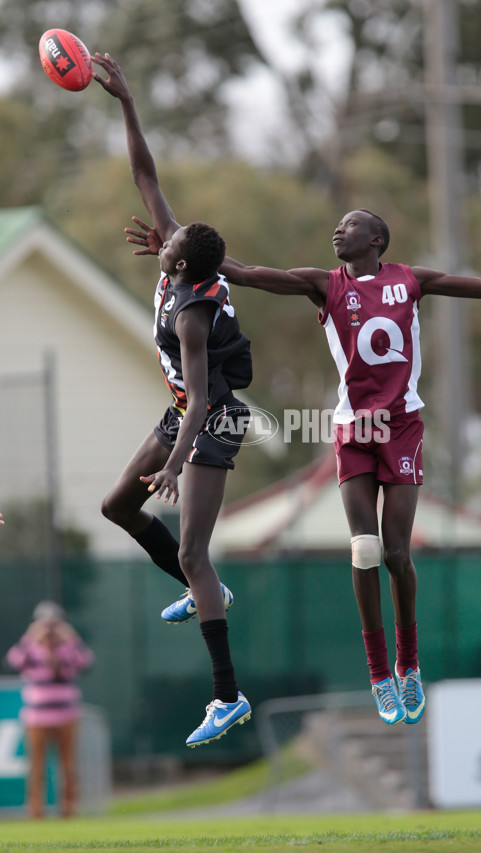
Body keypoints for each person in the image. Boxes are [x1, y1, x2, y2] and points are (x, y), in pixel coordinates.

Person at [124, 124, 481, 731]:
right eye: (338, 225)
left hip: (402, 427)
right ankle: (378, 671)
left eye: (349, 225)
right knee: (365, 548)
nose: (337, 231)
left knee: (400, 554)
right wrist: (181, 252)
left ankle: (408, 661)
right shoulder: (323, 284)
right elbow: (239, 272)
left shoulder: (411, 279)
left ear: (375, 239)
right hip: (354, 429)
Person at [91, 53, 252, 746]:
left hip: (210, 417)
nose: (165, 229)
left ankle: (229, 696)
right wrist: (125, 101)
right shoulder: (185, 260)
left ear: (180, 263)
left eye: (173, 238)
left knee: (193, 551)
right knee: (116, 505)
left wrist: (176, 463)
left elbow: (204, 394)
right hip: (188, 409)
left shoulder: (191, 313)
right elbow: (146, 175)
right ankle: (204, 587)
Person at [5, 601, 93, 818]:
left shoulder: (68, 647)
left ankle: (68, 811)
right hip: (36, 718)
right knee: (36, 768)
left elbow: (86, 662)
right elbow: (13, 661)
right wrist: (31, 637)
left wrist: (70, 638)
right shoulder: (31, 648)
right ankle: (36, 813)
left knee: (68, 767)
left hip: (67, 716)